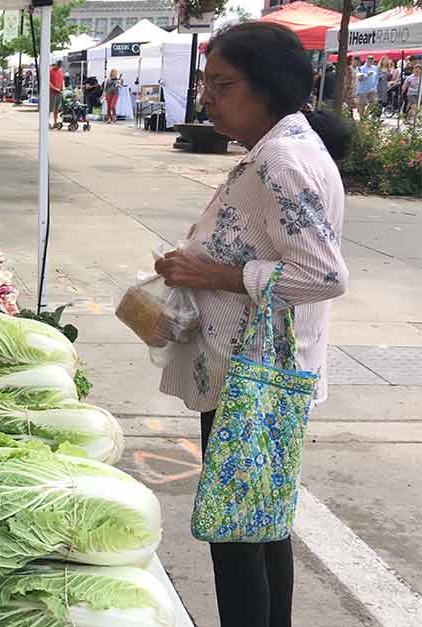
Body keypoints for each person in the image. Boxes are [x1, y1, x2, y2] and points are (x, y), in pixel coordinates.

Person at [154, 21, 350, 627]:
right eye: (205, 81)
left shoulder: (281, 162)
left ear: (268, 87)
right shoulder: (279, 149)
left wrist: (213, 275)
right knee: (261, 526)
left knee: (238, 542)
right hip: (263, 373)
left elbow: (323, 276)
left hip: (253, 381)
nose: (205, 96)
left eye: (222, 83)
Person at [50, 60, 65, 127]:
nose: (58, 67)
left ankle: (55, 122)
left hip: (59, 92)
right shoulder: (50, 71)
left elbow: (62, 81)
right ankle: (46, 122)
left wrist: (62, 88)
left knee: (56, 108)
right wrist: (54, 88)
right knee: (49, 108)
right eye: (58, 66)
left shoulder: (60, 72)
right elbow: (48, 82)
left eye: (59, 66)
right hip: (51, 92)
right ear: (55, 64)